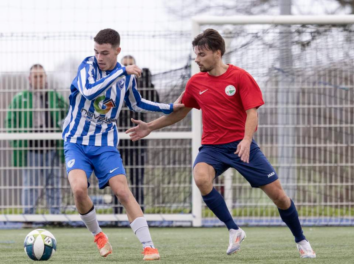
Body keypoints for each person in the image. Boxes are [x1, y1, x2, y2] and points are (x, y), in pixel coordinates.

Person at [126, 29, 316, 259]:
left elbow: (252, 112)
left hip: (242, 145)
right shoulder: (195, 82)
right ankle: (234, 230)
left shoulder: (240, 77)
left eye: (202, 54)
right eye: (195, 54)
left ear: (217, 53)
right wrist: (150, 127)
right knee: (200, 177)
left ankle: (301, 240)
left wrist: (246, 140)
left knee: (280, 197)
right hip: (213, 148)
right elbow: (180, 112)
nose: (197, 59)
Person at [61, 28, 183, 261]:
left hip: (105, 144)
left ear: (117, 50)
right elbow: (88, 92)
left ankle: (149, 246)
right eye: (96, 52)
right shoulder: (87, 67)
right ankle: (98, 235)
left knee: (123, 191)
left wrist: (169, 107)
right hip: (76, 142)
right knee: (78, 189)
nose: (99, 57)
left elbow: (136, 103)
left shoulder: (124, 77)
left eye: (105, 53)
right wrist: (121, 72)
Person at [5, 64, 68, 216]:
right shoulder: (20, 98)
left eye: (41, 76)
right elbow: (10, 121)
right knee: (30, 185)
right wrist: (17, 142)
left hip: (52, 147)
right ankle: (28, 216)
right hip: (30, 149)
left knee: (54, 184)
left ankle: (55, 216)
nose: (39, 79)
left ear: (45, 77)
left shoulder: (55, 96)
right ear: (29, 78)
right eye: (35, 76)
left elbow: (67, 115)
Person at [113, 55, 160, 214]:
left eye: (130, 64)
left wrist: (148, 82)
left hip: (138, 137)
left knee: (137, 178)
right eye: (125, 65)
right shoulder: (115, 82)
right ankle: (117, 213)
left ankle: (139, 212)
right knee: (117, 179)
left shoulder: (141, 84)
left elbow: (155, 102)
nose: (128, 67)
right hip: (118, 138)